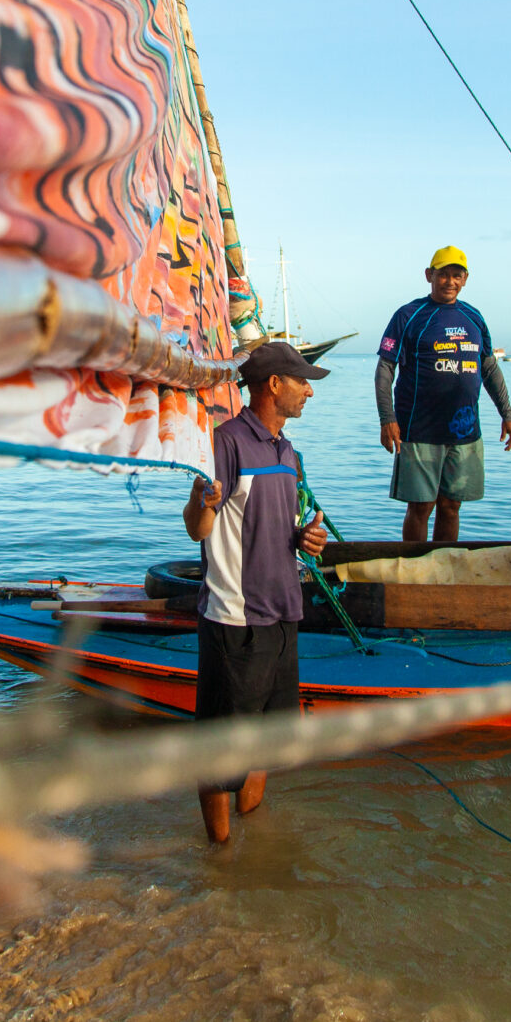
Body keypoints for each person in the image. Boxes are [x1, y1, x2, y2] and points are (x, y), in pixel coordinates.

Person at [180, 340, 330, 843]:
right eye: (302, 381)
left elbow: (281, 529)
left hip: (284, 615)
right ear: (273, 385)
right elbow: (197, 529)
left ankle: (254, 851)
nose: (309, 391)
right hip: (235, 621)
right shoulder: (224, 442)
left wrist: (307, 539)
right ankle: (219, 859)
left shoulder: (289, 453)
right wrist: (204, 503)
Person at [376, 246, 511, 543]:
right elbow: (385, 370)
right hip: (419, 431)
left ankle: (444, 567)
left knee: (451, 507)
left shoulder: (473, 317)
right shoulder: (409, 315)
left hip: (465, 433)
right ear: (429, 275)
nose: (449, 281)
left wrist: (507, 414)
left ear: (465, 279)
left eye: (457, 275)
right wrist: (387, 419)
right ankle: (416, 572)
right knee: (421, 506)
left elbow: (489, 368)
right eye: (443, 275)